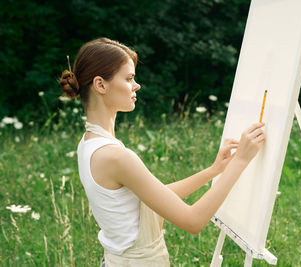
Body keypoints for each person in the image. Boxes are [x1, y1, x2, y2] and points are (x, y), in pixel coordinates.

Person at [59, 37, 265, 267]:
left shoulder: (88, 143)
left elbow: (151, 200)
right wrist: (241, 161)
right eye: (129, 78)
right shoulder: (116, 157)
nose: (136, 85)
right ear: (100, 85)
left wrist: (214, 171)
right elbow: (193, 221)